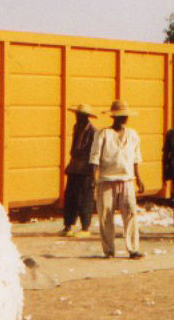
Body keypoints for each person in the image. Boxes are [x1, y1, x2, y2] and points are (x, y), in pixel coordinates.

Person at [88, 99, 145, 259]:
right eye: (121, 116)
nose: (124, 118)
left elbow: (135, 158)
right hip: (106, 180)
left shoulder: (132, 134)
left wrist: (138, 178)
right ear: (114, 117)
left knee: (131, 213)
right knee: (106, 216)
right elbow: (95, 158)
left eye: (125, 116)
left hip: (127, 180)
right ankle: (109, 250)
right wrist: (94, 179)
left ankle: (133, 249)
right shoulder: (103, 134)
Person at [61, 104, 98, 237]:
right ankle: (68, 225)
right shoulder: (76, 127)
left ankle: (85, 227)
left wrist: (94, 173)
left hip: (86, 169)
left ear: (85, 117)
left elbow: (95, 154)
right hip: (74, 167)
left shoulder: (93, 131)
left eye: (79, 115)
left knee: (85, 198)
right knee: (70, 196)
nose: (77, 117)